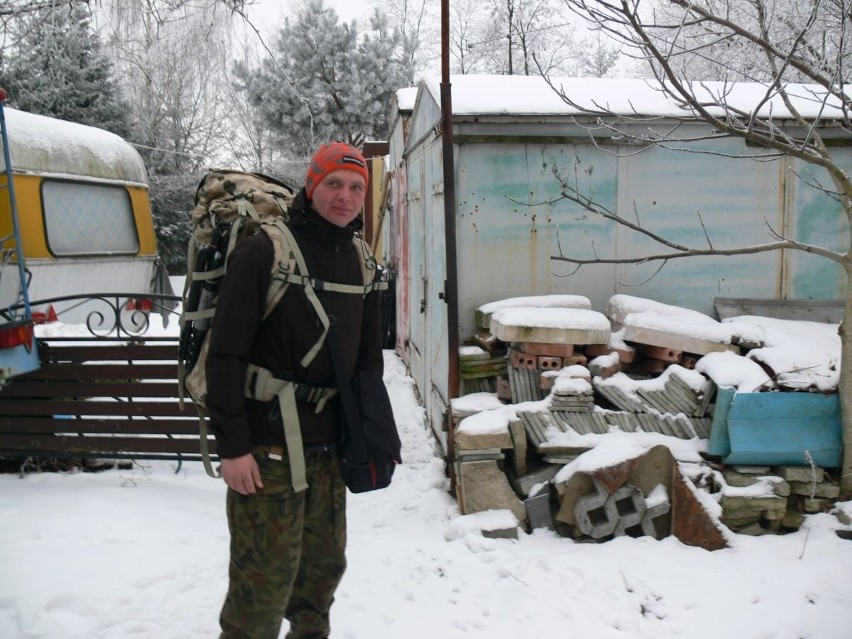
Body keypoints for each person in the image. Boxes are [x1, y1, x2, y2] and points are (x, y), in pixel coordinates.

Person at [206, 142, 393, 639]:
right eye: (334, 183)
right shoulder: (265, 249)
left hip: (330, 449)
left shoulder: (362, 259)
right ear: (311, 186)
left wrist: (372, 438)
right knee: (261, 585)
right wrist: (232, 447)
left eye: (356, 187)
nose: (345, 197)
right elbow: (224, 355)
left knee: (320, 579)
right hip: (266, 449)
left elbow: (368, 362)